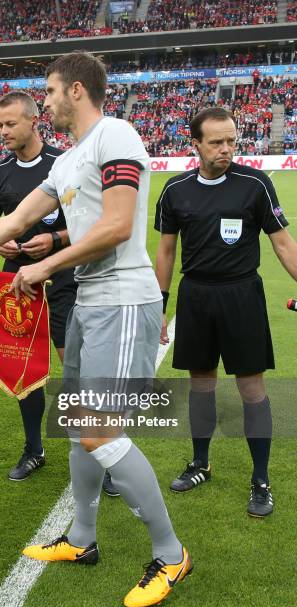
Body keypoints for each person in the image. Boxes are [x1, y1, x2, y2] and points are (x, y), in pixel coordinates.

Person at [0, 52, 191, 607]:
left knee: (100, 431)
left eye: (51, 91)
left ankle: (171, 551)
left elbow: (114, 226)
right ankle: (82, 540)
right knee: (78, 425)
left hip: (125, 301)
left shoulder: (117, 135)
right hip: (91, 301)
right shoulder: (68, 163)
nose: (48, 100)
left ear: (77, 90)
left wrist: (44, 265)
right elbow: (11, 225)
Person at [154, 106, 297, 517]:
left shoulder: (255, 183)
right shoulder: (175, 190)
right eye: (216, 142)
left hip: (241, 296)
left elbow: (283, 243)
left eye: (231, 140)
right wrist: (160, 306)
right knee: (201, 384)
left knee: (252, 388)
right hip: (196, 297)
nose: (226, 149)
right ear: (194, 143)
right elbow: (166, 251)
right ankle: (201, 462)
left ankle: (261, 479)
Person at [0, 91, 78, 482]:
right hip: (18, 283)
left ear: (33, 121)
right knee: (25, 369)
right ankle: (34, 448)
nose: (2, 131)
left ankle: (92, 449)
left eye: (10, 124)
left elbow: (91, 224)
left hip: (66, 276)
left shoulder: (64, 165)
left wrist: (55, 241)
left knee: (74, 367)